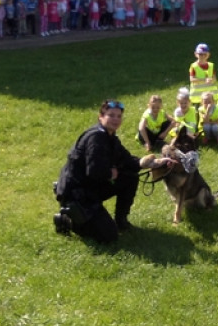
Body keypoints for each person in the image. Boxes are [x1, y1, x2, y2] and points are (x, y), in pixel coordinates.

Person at [54, 99, 151, 243]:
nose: (116, 119)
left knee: (130, 177)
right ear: (101, 117)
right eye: (111, 115)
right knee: (109, 237)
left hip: (91, 187)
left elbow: (128, 160)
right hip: (77, 193)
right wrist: (110, 173)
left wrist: (154, 163)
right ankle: (67, 219)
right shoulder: (96, 138)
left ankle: (121, 221)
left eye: (119, 116)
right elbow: (94, 172)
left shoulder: (110, 137)